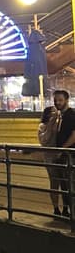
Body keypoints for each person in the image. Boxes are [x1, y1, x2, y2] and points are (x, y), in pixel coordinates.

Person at [51, 90, 75, 219]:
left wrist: (62, 149)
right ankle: (69, 213)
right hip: (63, 156)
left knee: (70, 185)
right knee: (65, 185)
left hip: (69, 156)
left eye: (60, 100)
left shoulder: (71, 115)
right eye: (55, 100)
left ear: (66, 100)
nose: (57, 102)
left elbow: (74, 135)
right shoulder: (60, 115)